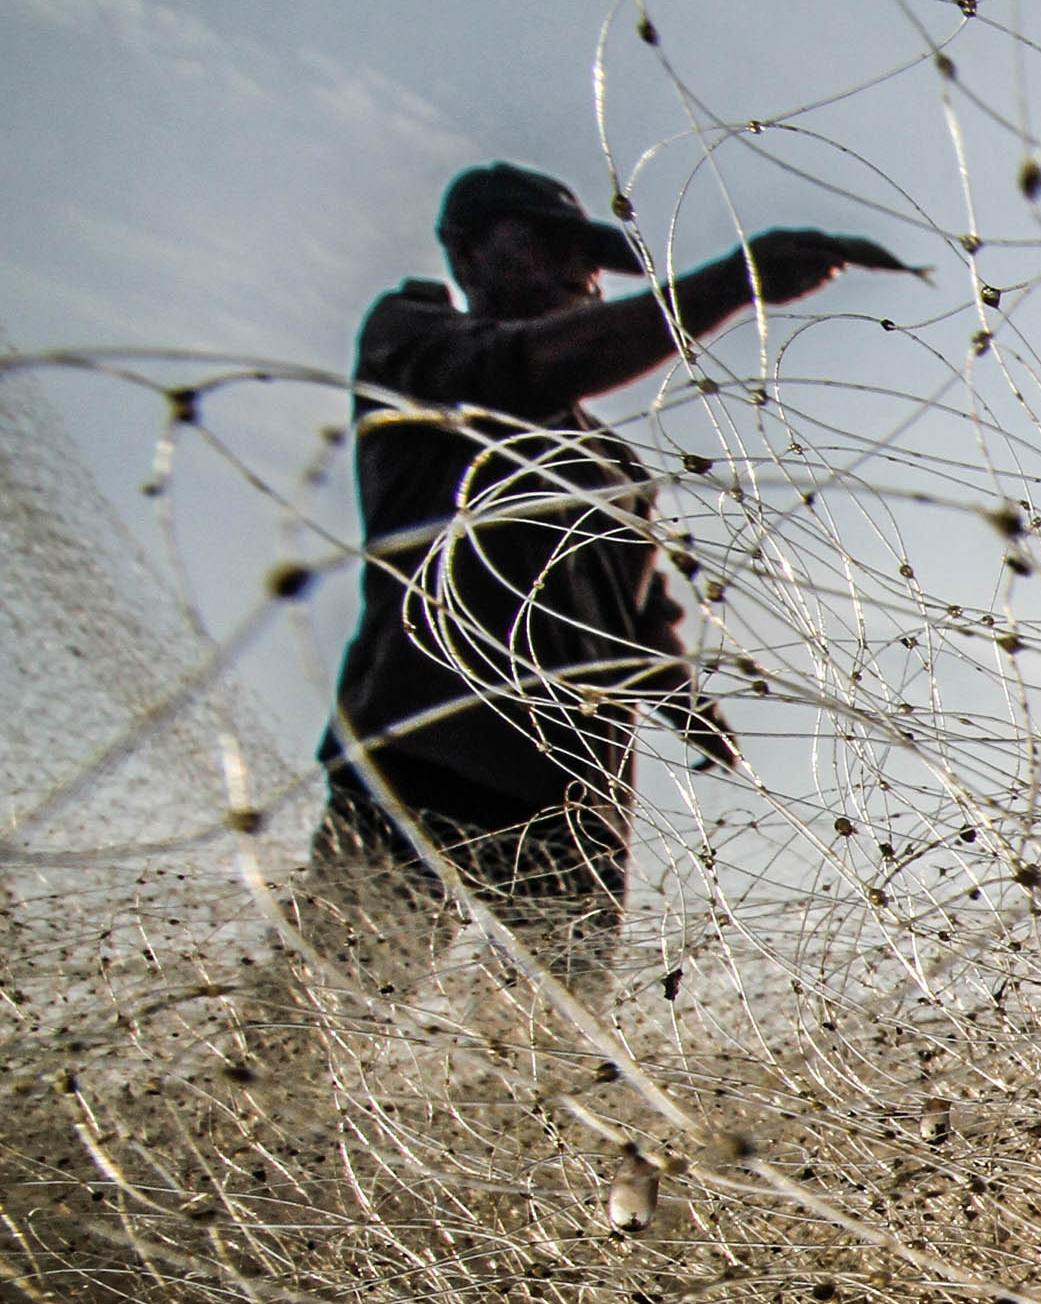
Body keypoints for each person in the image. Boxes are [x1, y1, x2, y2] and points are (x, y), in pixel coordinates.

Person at [288, 163, 906, 1004]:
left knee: (560, 1041)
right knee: (334, 1000)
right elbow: (528, 367)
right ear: (464, 252)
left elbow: (639, 612)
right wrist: (732, 282)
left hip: (575, 799)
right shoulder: (415, 340)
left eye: (588, 259)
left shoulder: (613, 465)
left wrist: (685, 697)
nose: (577, 274)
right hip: (428, 751)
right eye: (546, 246)